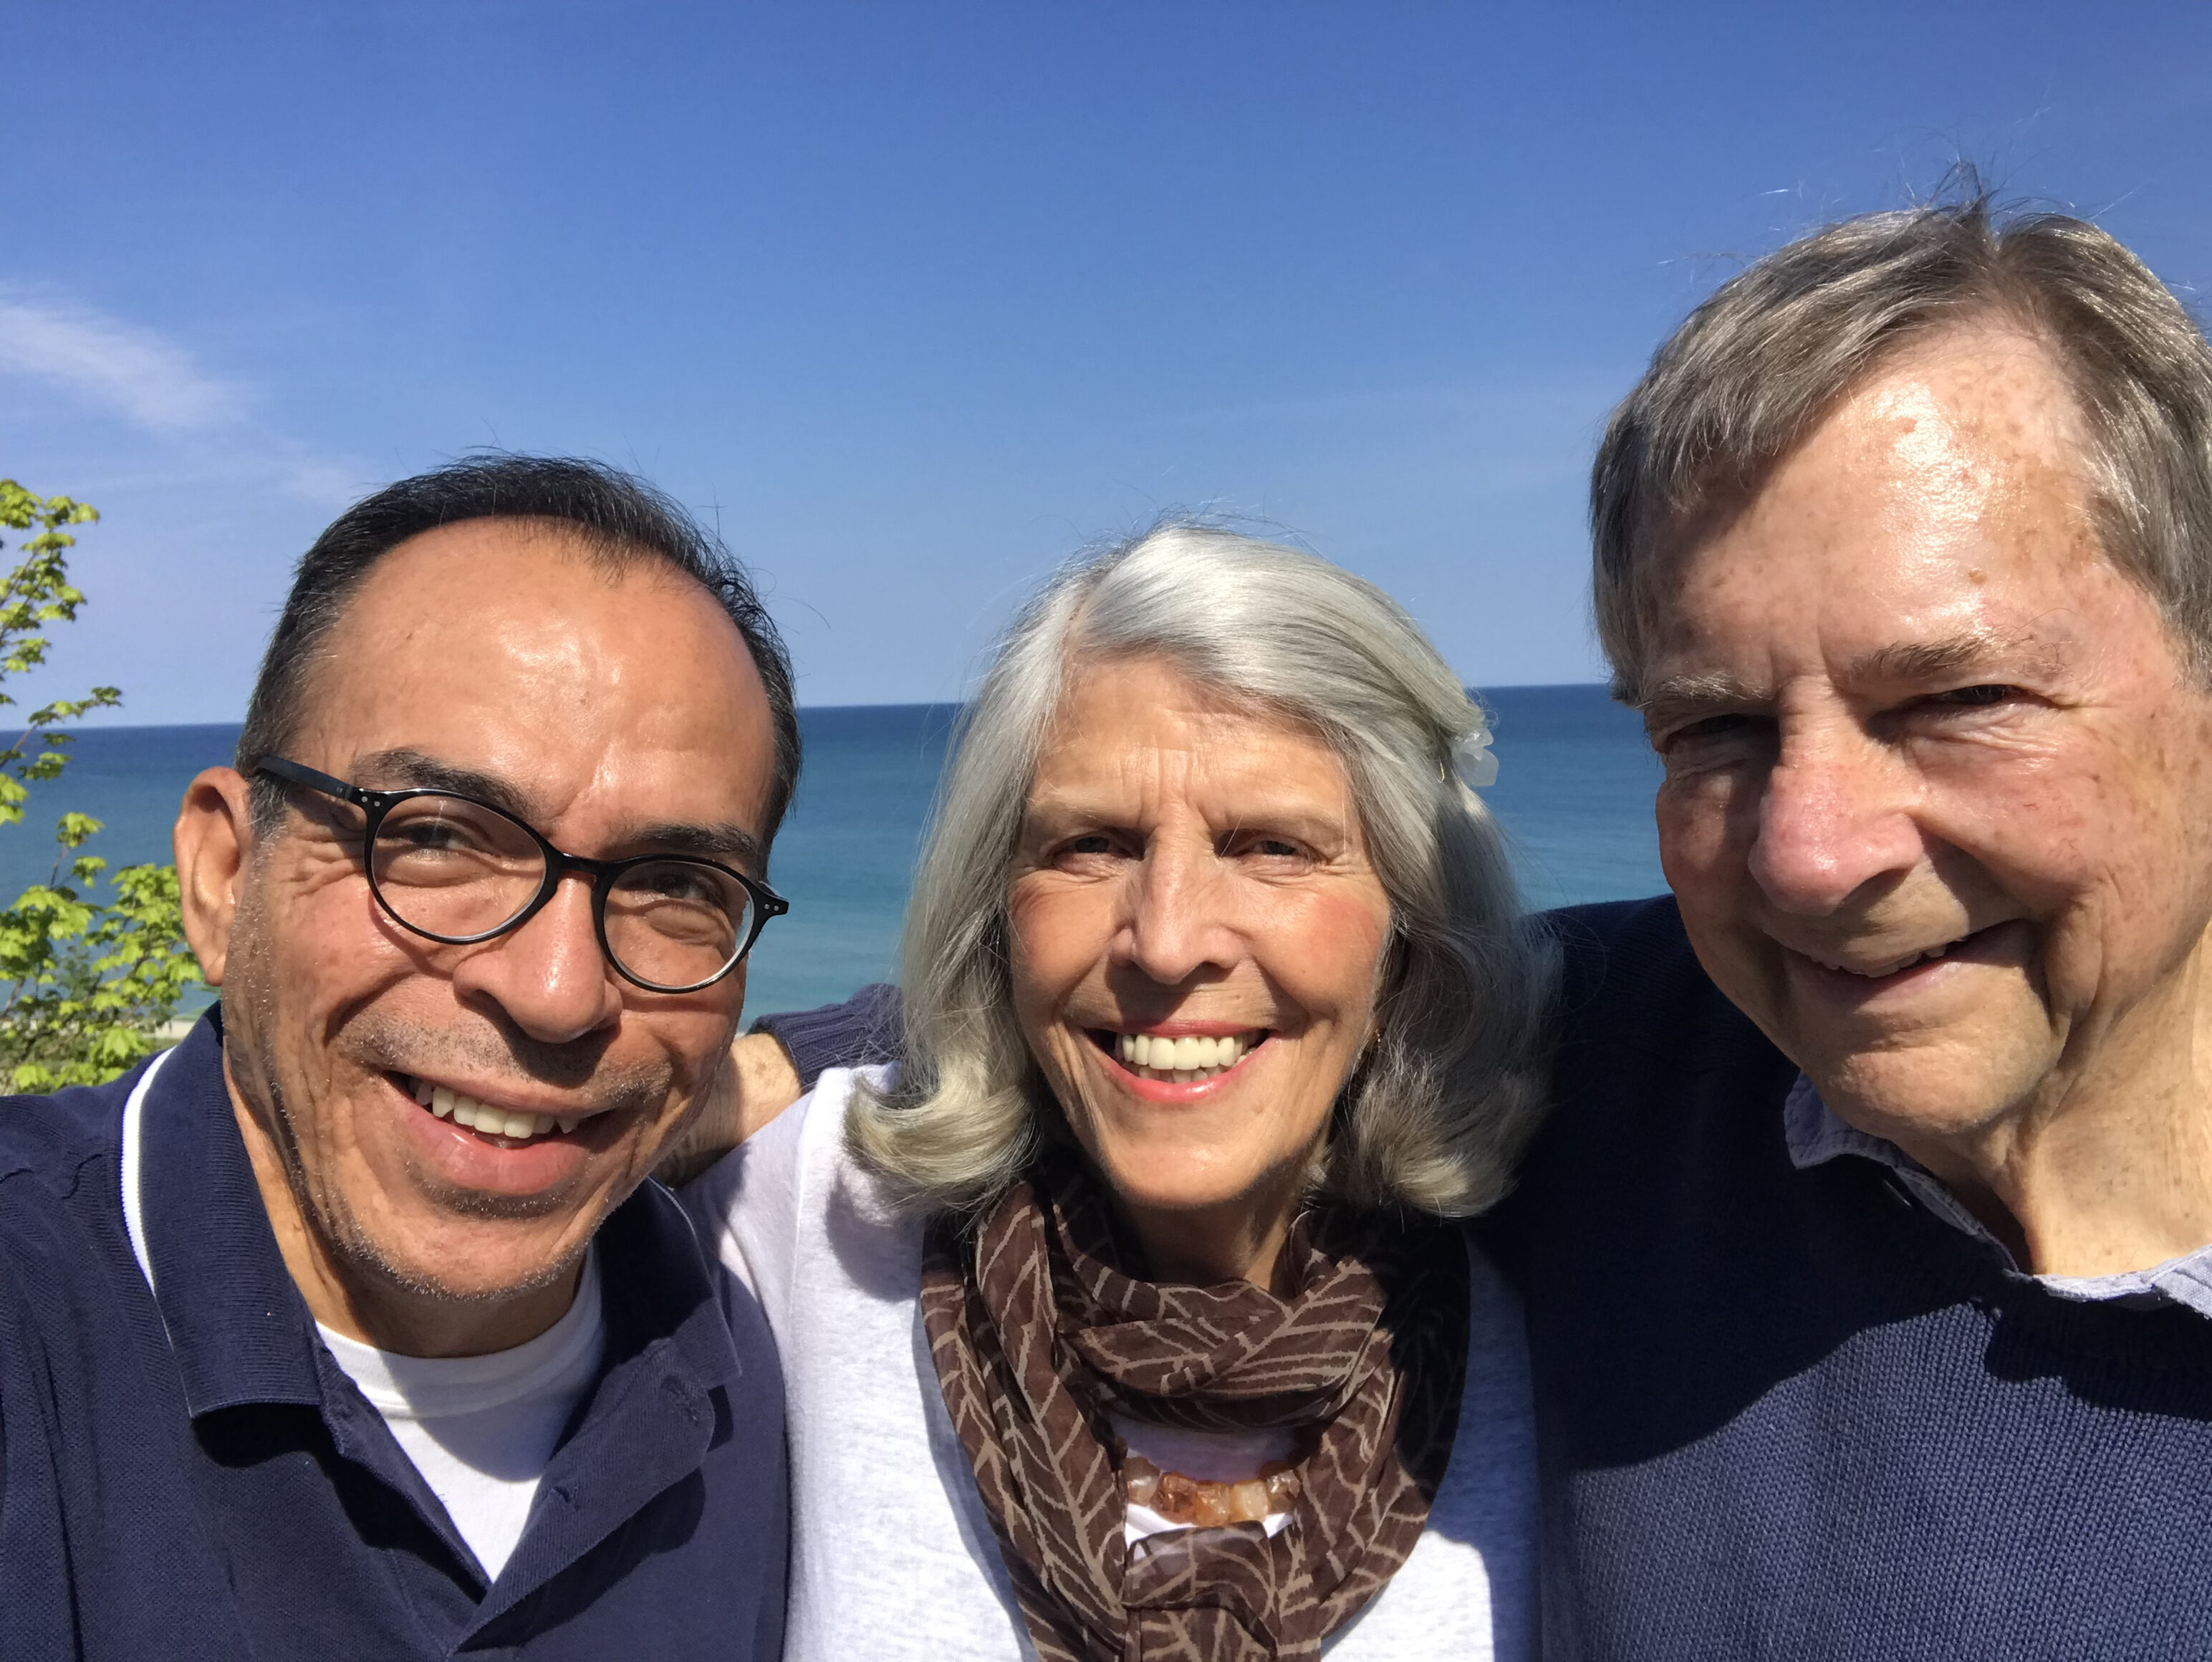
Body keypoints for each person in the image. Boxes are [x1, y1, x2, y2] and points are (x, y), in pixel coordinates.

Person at [729, 192, 2212, 1657]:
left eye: (1953, 698)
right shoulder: (1661, 1060)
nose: (1808, 856)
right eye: (1711, 723)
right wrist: (737, 1056)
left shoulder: (1614, 1114)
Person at [681, 524, 1556, 1660]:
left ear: (1413, 925)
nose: (1166, 938)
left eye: (1271, 847)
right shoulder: (823, 1211)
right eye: (1093, 844)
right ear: (999, 906)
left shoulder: (1566, 1274)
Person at [0, 456, 797, 1659]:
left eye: (677, 886)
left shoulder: (752, 1355)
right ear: (224, 879)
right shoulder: (40, 1332)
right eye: (433, 840)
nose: (557, 992)